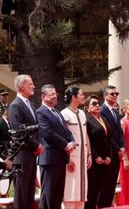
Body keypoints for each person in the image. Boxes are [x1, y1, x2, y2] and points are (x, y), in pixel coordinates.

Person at [36, 84, 76, 209]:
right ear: (43, 96)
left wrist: (72, 142)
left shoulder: (57, 112)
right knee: (49, 193)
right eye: (51, 94)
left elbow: (66, 131)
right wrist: (65, 145)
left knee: (58, 194)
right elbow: (47, 133)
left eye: (55, 94)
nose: (54, 96)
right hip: (49, 159)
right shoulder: (40, 112)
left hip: (60, 158)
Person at [8, 74, 43, 209]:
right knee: (22, 194)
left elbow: (36, 128)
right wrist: (36, 145)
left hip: (31, 155)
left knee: (29, 193)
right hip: (22, 156)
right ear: (22, 86)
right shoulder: (15, 105)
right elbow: (18, 131)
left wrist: (38, 144)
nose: (34, 86)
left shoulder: (29, 104)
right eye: (31, 84)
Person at [62, 86, 91, 209]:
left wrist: (89, 154)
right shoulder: (64, 114)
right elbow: (63, 138)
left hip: (83, 158)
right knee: (70, 192)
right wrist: (67, 160)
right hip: (72, 160)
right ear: (73, 98)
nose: (83, 96)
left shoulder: (83, 113)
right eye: (81, 94)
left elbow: (85, 135)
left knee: (82, 193)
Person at [99, 85, 124, 208]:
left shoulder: (115, 111)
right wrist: (118, 149)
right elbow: (108, 134)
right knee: (105, 183)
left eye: (116, 93)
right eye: (112, 94)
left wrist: (123, 147)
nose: (115, 96)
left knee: (112, 183)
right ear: (105, 96)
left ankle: (108, 205)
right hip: (108, 152)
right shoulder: (102, 110)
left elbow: (119, 132)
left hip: (117, 153)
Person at [85, 95, 110, 209]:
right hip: (94, 160)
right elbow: (88, 140)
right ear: (87, 108)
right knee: (92, 188)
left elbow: (109, 139)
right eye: (93, 104)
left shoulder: (104, 119)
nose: (97, 106)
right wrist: (96, 156)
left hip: (105, 159)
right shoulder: (87, 120)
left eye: (98, 103)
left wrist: (109, 156)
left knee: (102, 188)